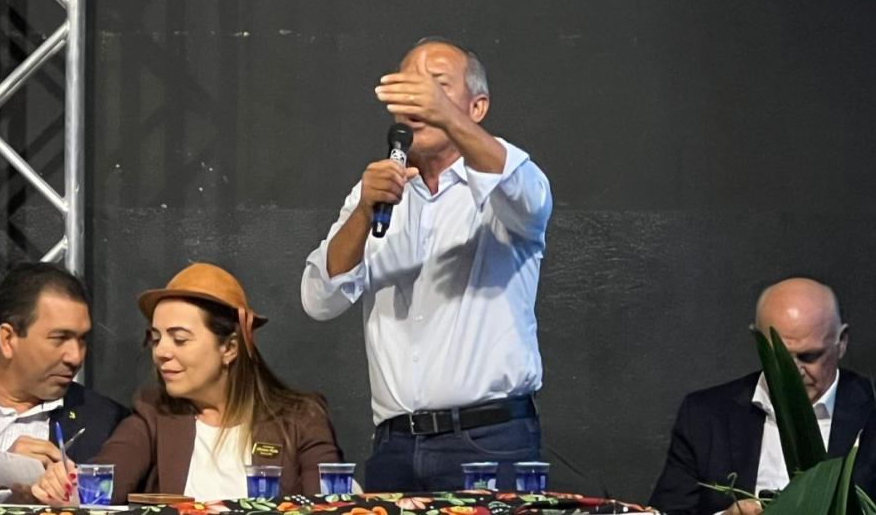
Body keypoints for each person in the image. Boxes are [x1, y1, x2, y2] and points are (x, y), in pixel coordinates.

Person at [301, 37, 552, 492]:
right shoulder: (376, 190)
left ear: (477, 107)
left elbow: (526, 197)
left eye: (437, 85)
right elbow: (320, 300)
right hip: (395, 444)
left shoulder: (507, 183)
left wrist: (447, 117)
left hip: (489, 440)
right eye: (410, 87)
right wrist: (363, 212)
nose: (421, 99)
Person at [32, 262, 342, 504]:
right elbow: (107, 478)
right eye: (156, 339)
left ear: (229, 348)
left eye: (179, 339)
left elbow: (331, 505)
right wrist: (70, 484)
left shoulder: (301, 418)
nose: (161, 352)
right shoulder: (153, 414)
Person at [648, 277, 876, 515]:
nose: (794, 372)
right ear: (756, 341)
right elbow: (668, 511)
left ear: (841, 342)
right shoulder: (705, 416)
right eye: (778, 356)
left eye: (809, 356)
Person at [0, 262, 129, 502]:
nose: (76, 357)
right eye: (60, 338)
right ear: (7, 339)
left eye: (82, 339)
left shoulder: (109, 423)